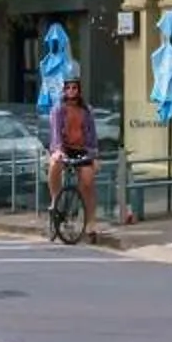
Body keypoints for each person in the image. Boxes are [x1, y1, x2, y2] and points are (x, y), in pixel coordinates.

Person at [48, 78, 98, 242]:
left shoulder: (87, 111)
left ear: (79, 90)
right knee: (54, 164)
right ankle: (55, 199)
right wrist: (58, 151)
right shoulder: (58, 110)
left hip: (82, 150)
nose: (71, 91)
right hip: (64, 149)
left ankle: (90, 221)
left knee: (88, 181)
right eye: (68, 88)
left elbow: (92, 136)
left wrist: (94, 156)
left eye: (74, 88)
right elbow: (56, 134)